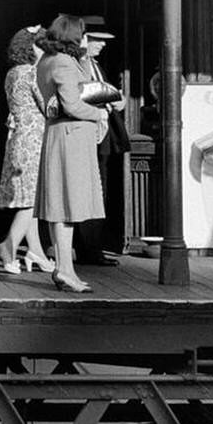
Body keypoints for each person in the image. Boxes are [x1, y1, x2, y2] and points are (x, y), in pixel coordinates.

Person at [34, 13, 109, 293]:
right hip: (71, 137)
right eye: (82, 33)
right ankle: (64, 269)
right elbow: (74, 104)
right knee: (67, 205)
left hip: (60, 135)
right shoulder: (64, 63)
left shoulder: (48, 60)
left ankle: (65, 269)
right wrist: (99, 113)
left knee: (61, 207)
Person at [0, 26, 53, 274]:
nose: (45, 50)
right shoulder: (30, 73)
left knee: (28, 197)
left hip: (19, 139)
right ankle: (9, 245)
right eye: (40, 45)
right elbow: (47, 105)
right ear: (31, 47)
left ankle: (35, 250)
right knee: (32, 199)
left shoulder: (12, 73)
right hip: (33, 141)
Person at [74, 20, 130, 266]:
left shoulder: (92, 65)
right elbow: (83, 94)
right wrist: (115, 96)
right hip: (92, 134)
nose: (103, 44)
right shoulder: (80, 65)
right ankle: (89, 249)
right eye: (97, 39)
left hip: (101, 134)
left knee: (99, 191)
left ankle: (91, 247)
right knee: (94, 191)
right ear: (83, 39)